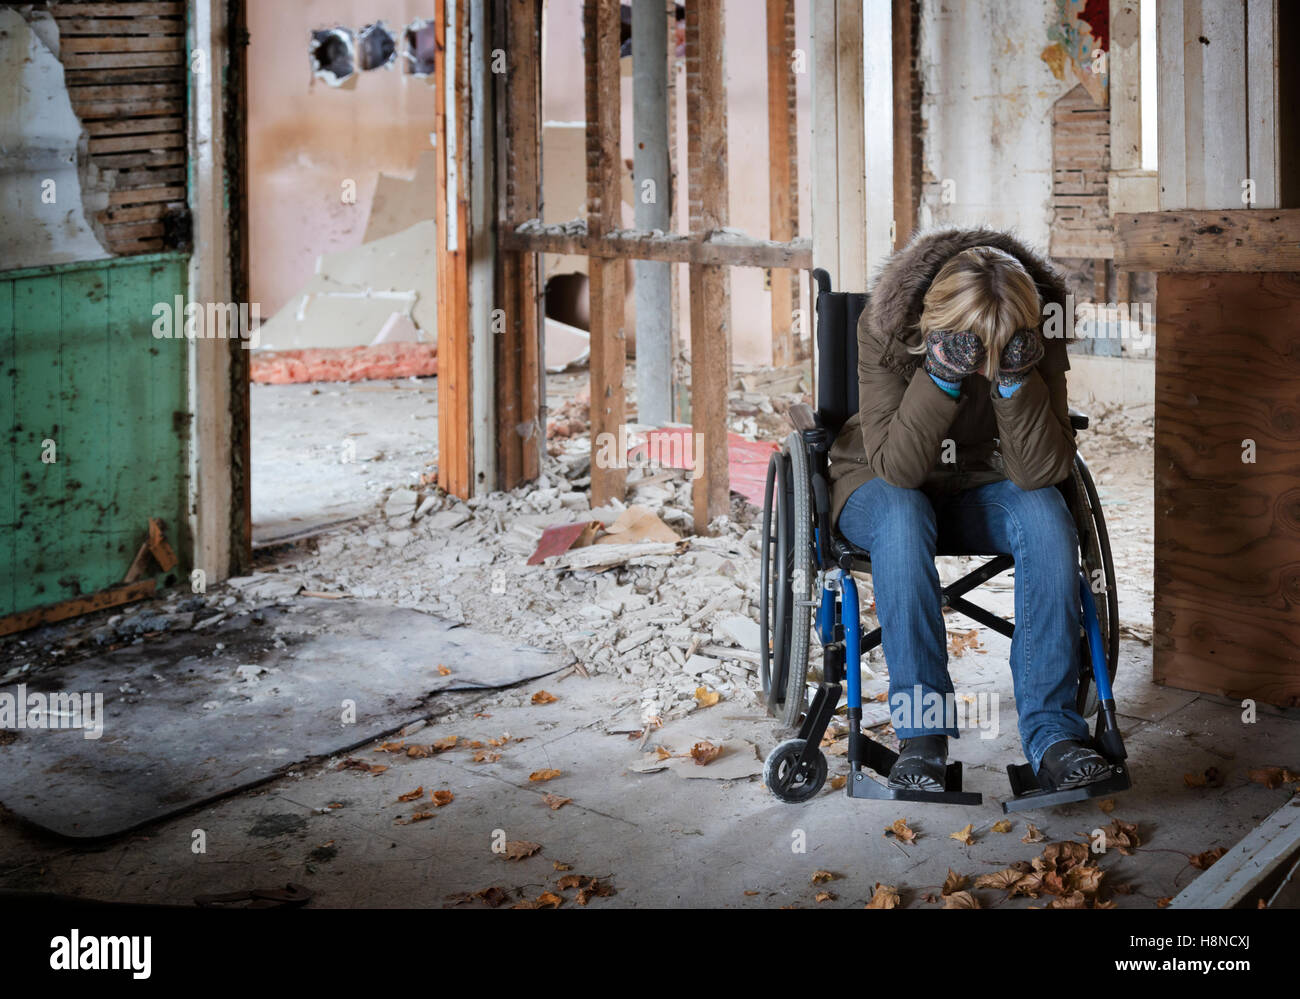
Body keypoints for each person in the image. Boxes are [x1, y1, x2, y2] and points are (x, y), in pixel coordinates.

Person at [828, 227, 1113, 792]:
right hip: (881, 480)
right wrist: (941, 374)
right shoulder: (884, 326)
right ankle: (923, 734)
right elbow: (900, 468)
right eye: (973, 341)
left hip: (985, 480)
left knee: (1047, 517)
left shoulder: (1036, 324)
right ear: (936, 322)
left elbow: (1038, 471)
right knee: (905, 518)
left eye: (1001, 341)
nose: (986, 355)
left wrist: (1015, 377)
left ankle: (1053, 733)